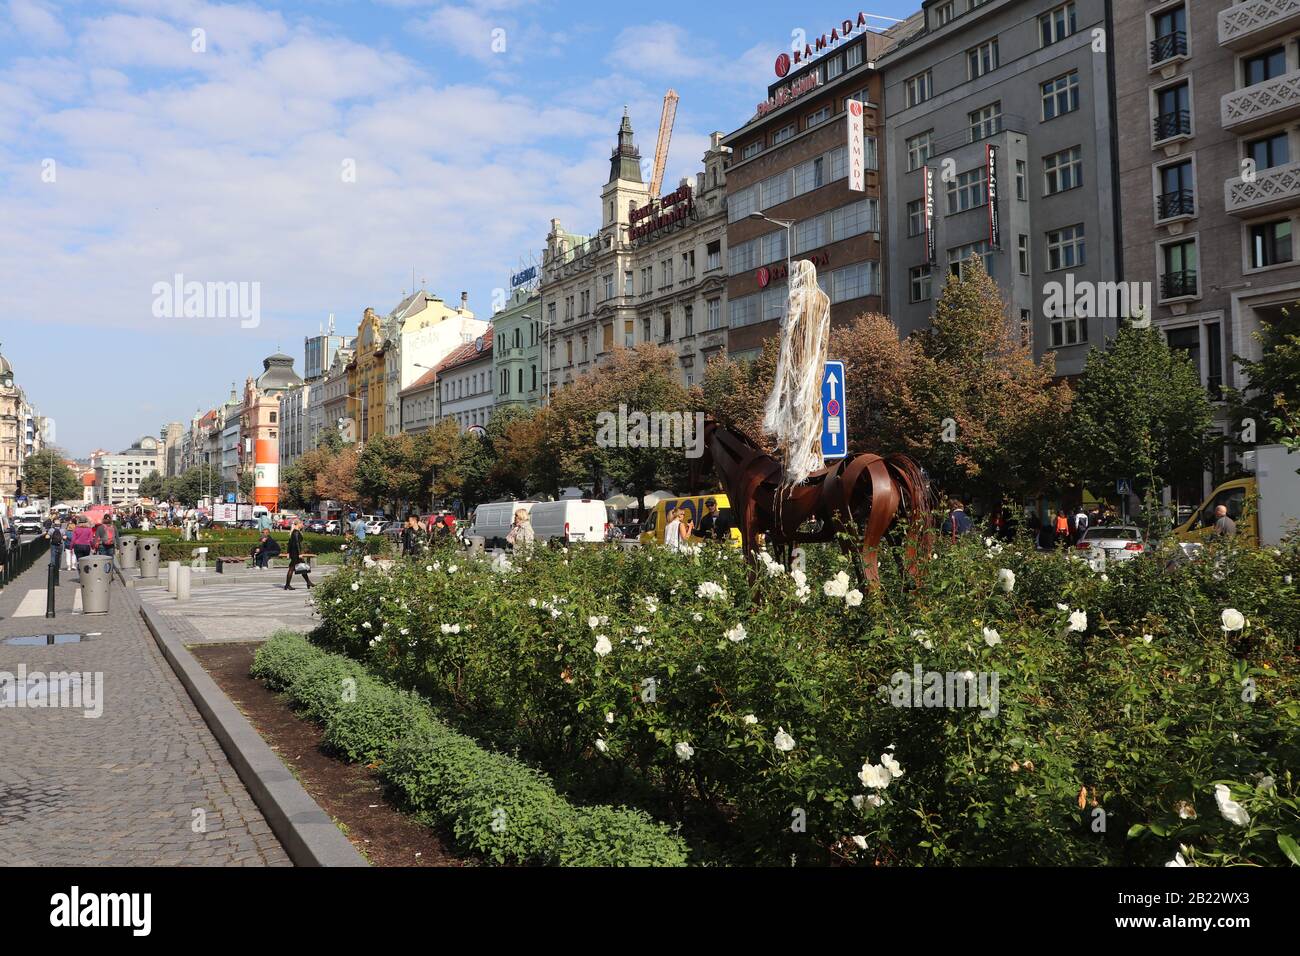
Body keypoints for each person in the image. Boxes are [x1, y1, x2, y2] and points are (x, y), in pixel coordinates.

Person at [284, 520, 313, 590]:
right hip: (296, 553)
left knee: (302, 568)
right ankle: (287, 585)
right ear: (298, 524)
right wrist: (300, 553)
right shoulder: (296, 532)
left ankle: (308, 582)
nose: (303, 525)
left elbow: (290, 543)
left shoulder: (294, 532)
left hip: (294, 552)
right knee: (292, 568)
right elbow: (297, 543)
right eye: (302, 524)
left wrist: (288, 552)